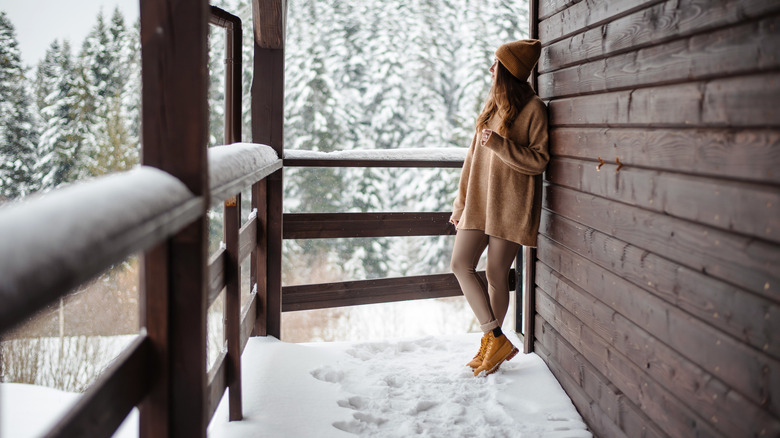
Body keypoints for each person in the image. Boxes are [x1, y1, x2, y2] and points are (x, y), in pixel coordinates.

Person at [450, 39, 549, 377]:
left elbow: (539, 160)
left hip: (509, 206)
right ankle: (494, 336)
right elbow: (471, 160)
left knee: (495, 275)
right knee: (460, 264)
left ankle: (491, 345)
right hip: (478, 204)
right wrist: (460, 203)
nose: (491, 69)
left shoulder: (534, 109)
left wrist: (501, 144)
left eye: (496, 64)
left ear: (509, 72)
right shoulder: (492, 105)